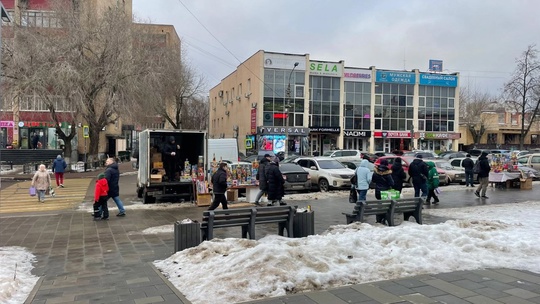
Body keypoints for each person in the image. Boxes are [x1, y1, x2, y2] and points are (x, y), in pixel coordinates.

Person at [371, 159, 394, 223]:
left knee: (379, 205)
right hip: (385, 192)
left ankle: (378, 219)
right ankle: (384, 218)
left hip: (378, 192)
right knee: (385, 205)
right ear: (386, 164)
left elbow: (373, 181)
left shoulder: (376, 173)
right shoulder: (388, 174)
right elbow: (392, 183)